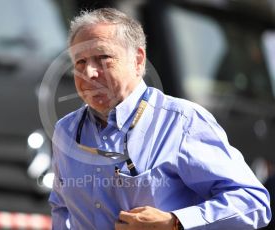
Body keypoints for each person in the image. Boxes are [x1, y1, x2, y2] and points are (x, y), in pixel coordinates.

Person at [48, 8, 271, 230]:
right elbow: (61, 207)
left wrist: (174, 222)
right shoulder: (66, 131)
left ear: (137, 60)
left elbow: (253, 202)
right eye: (80, 62)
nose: (89, 73)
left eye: (103, 58)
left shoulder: (183, 122)